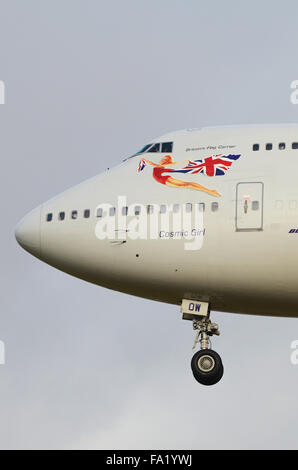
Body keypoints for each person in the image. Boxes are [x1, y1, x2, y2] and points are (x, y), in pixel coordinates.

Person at [141, 155, 221, 197]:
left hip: (164, 179)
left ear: (167, 161)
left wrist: (145, 160)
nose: (162, 160)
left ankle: (210, 191)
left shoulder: (161, 166)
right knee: (189, 184)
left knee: (189, 184)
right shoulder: (162, 166)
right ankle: (210, 191)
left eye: (165, 159)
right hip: (165, 178)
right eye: (163, 158)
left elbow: (152, 163)